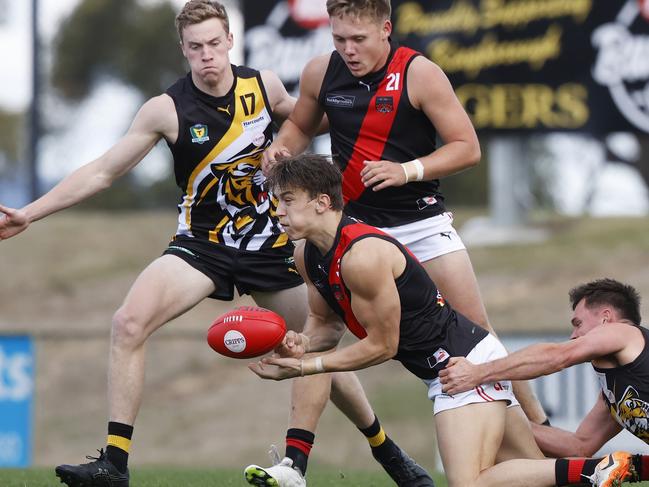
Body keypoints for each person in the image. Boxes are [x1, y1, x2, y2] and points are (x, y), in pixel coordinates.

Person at [0, 2, 432, 486]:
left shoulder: (263, 86)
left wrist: (374, 114)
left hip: (275, 243)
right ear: (182, 50)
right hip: (202, 245)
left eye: (213, 44)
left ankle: (386, 452)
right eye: (195, 48)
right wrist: (28, 214)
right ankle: (114, 464)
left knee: (313, 347)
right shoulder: (165, 109)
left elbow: (310, 119)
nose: (206, 56)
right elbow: (103, 171)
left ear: (230, 40)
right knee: (128, 322)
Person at [257, 0, 548, 470]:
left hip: (419, 222)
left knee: (477, 334)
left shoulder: (419, 73)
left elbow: (467, 147)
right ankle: (293, 465)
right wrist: (282, 148)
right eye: (339, 39)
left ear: (386, 29)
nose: (348, 50)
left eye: (359, 39)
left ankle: (539, 428)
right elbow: (300, 126)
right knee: (321, 331)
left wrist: (408, 169)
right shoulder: (320, 72)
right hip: (350, 226)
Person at [247, 152, 637, 487]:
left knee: (469, 481)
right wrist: (301, 343)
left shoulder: (362, 256)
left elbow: (384, 346)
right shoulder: (307, 254)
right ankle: (594, 472)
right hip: (456, 364)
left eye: (287, 200)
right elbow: (325, 324)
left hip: (461, 365)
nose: (277, 211)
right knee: (537, 475)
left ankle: (597, 470)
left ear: (321, 202)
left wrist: (305, 367)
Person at [440, 277, 649, 485]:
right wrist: (504, 421)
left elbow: (557, 356)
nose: (574, 336)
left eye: (578, 324)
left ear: (606, 318)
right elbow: (578, 447)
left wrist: (477, 373)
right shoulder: (613, 396)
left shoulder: (625, 333)